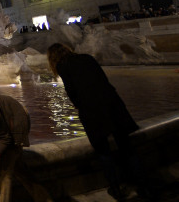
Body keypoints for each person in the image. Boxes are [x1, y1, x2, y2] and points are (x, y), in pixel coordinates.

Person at [47, 43, 149, 200]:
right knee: (127, 147)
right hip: (113, 104)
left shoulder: (62, 65)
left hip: (92, 110)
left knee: (103, 151)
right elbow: (103, 78)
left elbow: (71, 91)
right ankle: (143, 186)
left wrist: (79, 105)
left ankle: (116, 189)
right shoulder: (87, 58)